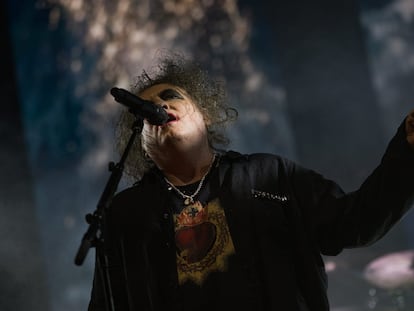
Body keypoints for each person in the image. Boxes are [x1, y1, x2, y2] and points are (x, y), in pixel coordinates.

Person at [88, 54, 414, 311]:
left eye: (171, 95)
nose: (160, 106)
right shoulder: (126, 214)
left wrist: (408, 150)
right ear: (143, 144)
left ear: (205, 115)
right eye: (145, 111)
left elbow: (355, 223)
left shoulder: (269, 174)